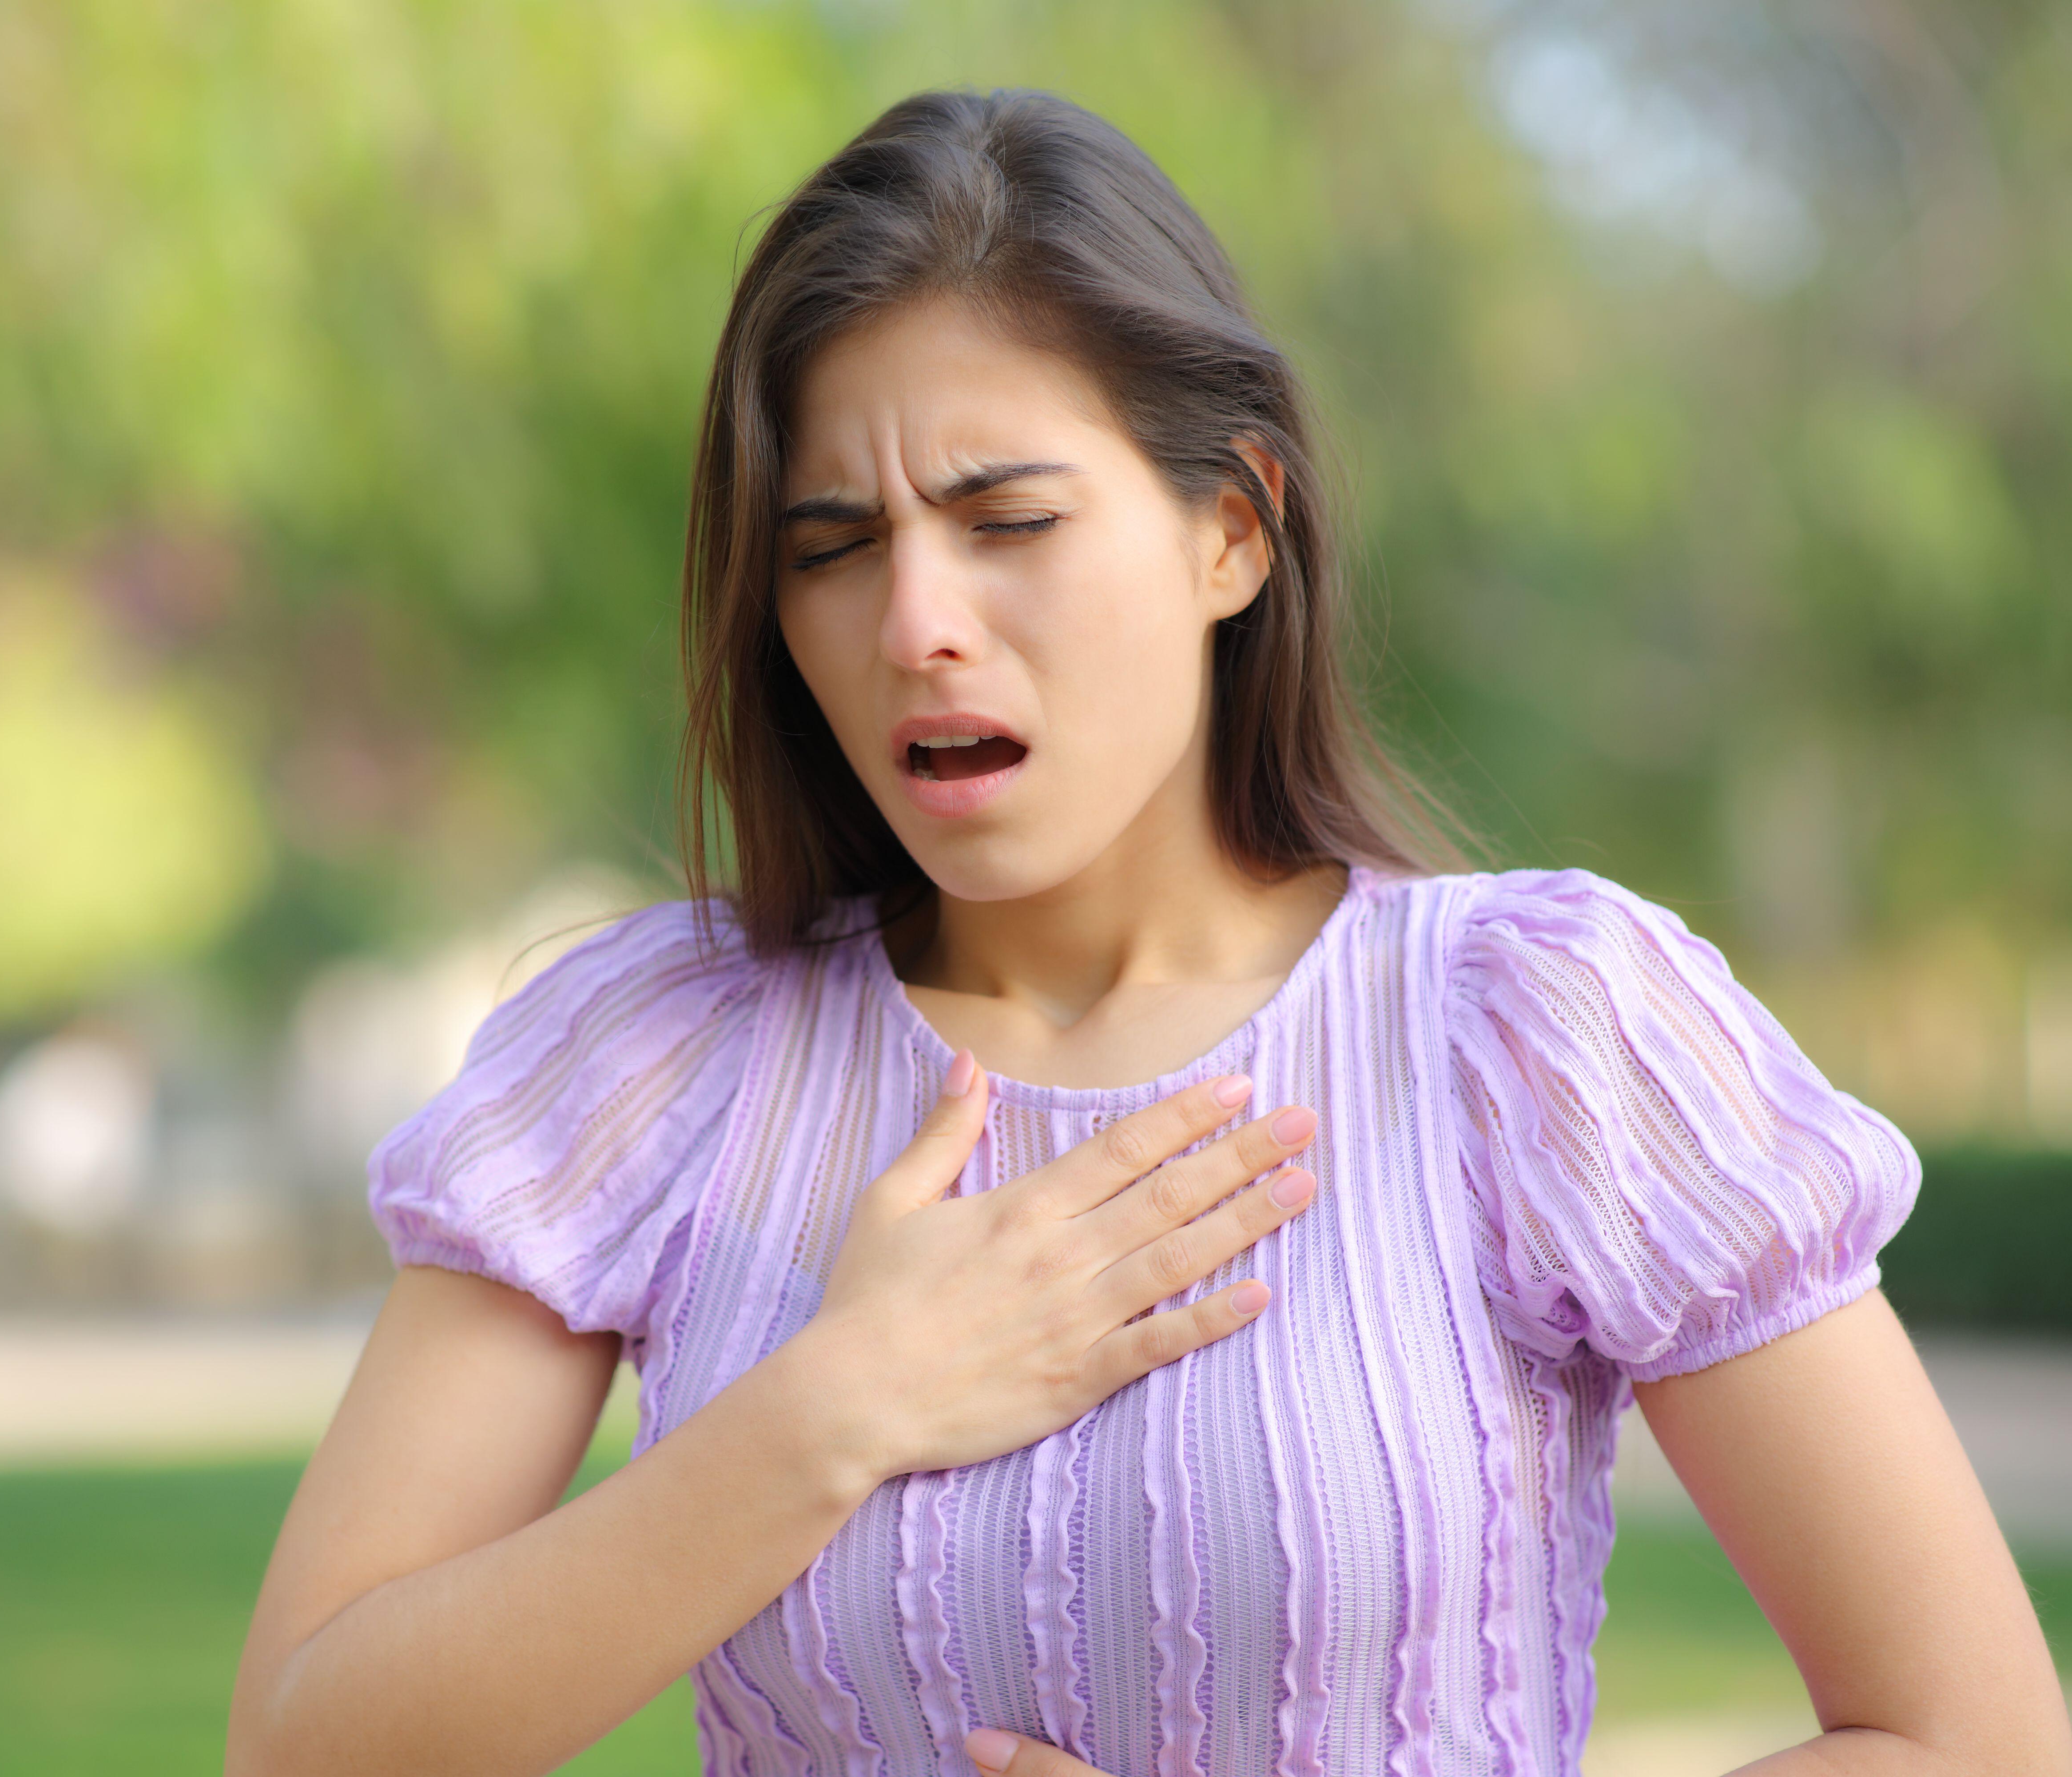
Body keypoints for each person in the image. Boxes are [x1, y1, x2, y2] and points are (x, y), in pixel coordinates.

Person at [225, 90, 2069, 1777]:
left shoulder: (1536, 1032)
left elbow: (1976, 1736)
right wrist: (828, 1417)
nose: (918, 620)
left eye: (1006, 517)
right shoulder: (655, 1057)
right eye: (834, 544)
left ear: (1234, 533)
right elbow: (302, 1747)